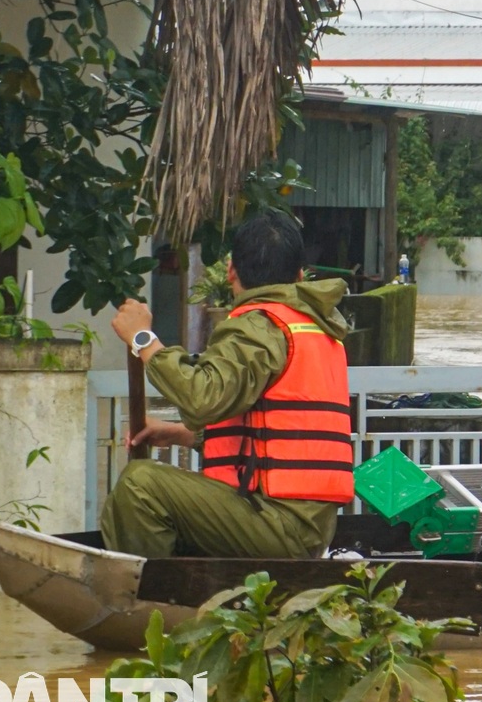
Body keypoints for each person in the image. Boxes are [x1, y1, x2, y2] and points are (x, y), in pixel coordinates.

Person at [101, 211, 355, 558]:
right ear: (299, 275)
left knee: (139, 483)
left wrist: (143, 340)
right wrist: (185, 435)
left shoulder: (260, 326)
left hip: (279, 523)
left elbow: (202, 398)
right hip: (304, 527)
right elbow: (273, 432)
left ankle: (154, 598)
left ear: (231, 270)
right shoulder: (313, 329)